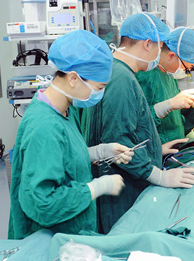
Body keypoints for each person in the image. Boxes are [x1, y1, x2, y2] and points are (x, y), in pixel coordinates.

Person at [8, 30, 133, 239]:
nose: (100, 94)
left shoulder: (65, 108)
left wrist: (101, 152)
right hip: (50, 240)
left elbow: (63, 156)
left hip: (71, 231)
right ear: (74, 78)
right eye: (99, 87)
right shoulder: (44, 126)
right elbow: (43, 203)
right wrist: (96, 188)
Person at [83, 13, 194, 233]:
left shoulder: (117, 71)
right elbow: (118, 143)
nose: (160, 54)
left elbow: (129, 125)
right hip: (121, 186)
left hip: (125, 178)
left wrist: (154, 148)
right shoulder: (121, 79)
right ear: (147, 43)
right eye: (160, 46)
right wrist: (160, 176)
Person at [137, 26, 194, 143]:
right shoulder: (145, 77)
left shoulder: (169, 73)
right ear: (171, 56)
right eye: (187, 68)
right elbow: (136, 121)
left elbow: (174, 100)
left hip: (177, 143)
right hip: (160, 147)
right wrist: (168, 105)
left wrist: (192, 102)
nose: (186, 72)